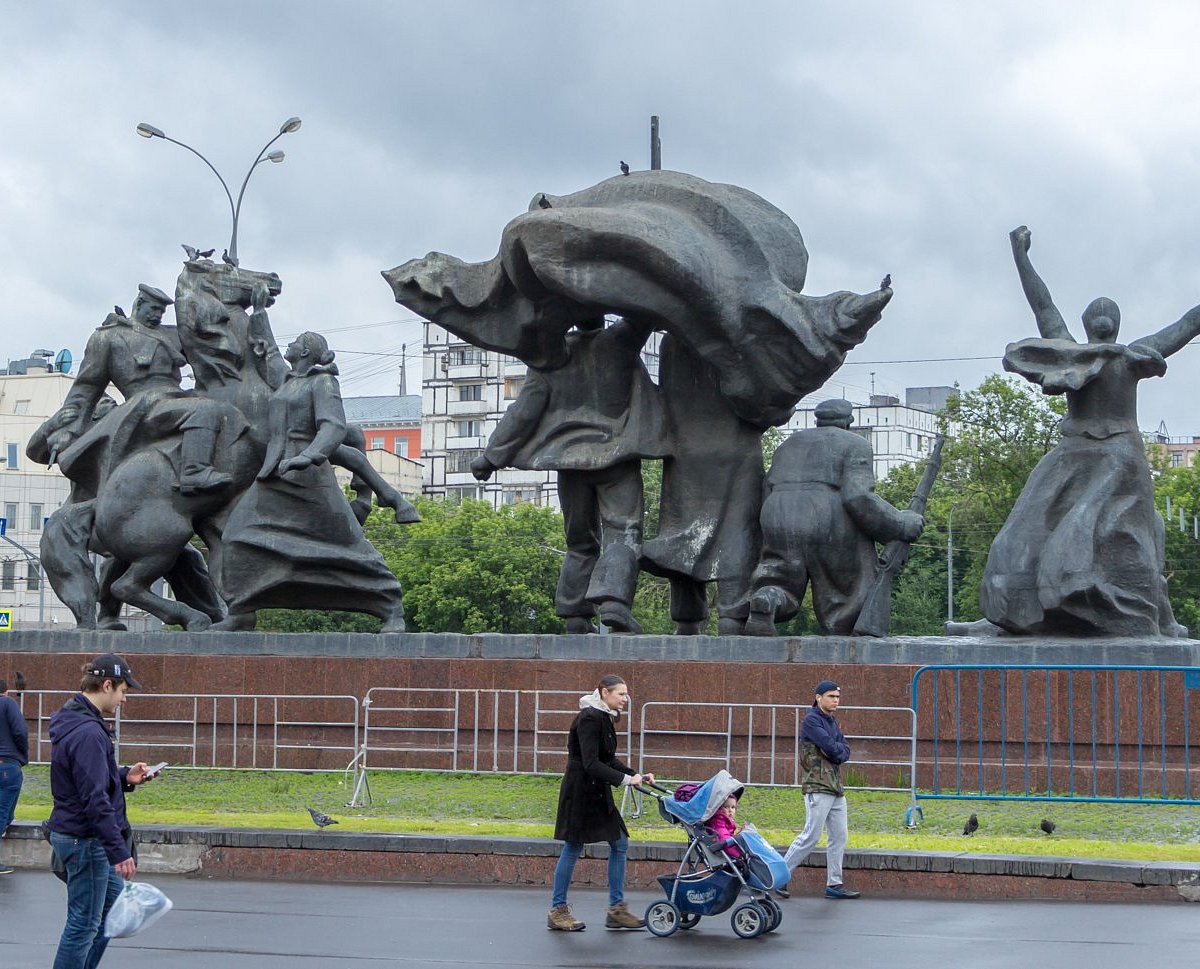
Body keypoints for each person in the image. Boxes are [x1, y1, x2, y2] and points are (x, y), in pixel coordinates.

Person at [980, 225, 1198, 637]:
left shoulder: (1105, 354)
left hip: (1114, 455)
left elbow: (1044, 306)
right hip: (1081, 453)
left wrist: (1020, 255)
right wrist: (1021, 257)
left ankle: (1157, 616)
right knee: (1025, 527)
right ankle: (1014, 610)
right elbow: (1189, 322)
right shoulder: (1085, 353)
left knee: (1130, 529)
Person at [472, 317, 665, 634]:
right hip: (615, 458)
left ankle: (574, 612)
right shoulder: (618, 341)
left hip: (568, 461)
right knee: (623, 532)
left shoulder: (550, 356)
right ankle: (615, 603)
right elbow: (646, 314)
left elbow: (524, 410)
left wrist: (491, 457)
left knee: (579, 541)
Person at [215, 331, 406, 631]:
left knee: (347, 543)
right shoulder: (289, 381)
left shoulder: (323, 382)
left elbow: (333, 427)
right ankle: (241, 608)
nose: (287, 345)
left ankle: (390, 605)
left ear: (304, 352)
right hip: (274, 474)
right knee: (236, 536)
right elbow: (273, 358)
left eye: (294, 343)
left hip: (309, 476)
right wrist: (260, 313)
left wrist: (310, 456)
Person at [741, 398, 924, 635]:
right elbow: (857, 497)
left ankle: (767, 600)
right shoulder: (855, 443)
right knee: (847, 586)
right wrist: (900, 523)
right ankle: (843, 629)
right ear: (848, 422)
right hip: (824, 513)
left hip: (777, 514)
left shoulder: (788, 444)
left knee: (780, 576)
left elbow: (767, 489)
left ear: (818, 420)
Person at [41, 284, 236, 495]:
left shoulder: (172, 335)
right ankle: (194, 472)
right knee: (204, 409)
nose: (156, 316)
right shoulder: (108, 337)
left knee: (227, 411)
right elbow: (85, 389)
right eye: (152, 309)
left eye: (161, 312)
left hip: (175, 398)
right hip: (143, 405)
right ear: (139, 304)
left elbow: (208, 349)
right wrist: (68, 431)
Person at [48, 653, 156, 968]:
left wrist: (125, 776)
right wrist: (119, 851)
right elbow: (94, 798)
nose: (124, 698)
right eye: (123, 690)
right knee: (84, 923)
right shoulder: (88, 732)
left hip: (82, 836)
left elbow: (88, 779)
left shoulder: (82, 723)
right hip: (87, 840)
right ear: (106, 685)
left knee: (110, 914)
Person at [548, 674, 654, 931]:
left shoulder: (604, 717)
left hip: (597, 791)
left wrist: (634, 775)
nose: (625, 699)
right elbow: (591, 763)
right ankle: (557, 910)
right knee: (573, 846)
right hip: (581, 792)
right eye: (621, 694)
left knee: (620, 843)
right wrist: (625, 780)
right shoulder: (589, 718)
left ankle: (616, 910)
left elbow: (608, 758)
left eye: (626, 694)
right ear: (604, 692)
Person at [781, 680, 860, 900]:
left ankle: (834, 883)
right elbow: (832, 748)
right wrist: (837, 751)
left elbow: (843, 750)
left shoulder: (831, 721)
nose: (835, 701)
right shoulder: (811, 720)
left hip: (834, 786)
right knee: (811, 835)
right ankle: (778, 877)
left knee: (839, 836)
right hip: (817, 785)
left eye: (837, 697)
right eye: (831, 697)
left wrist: (838, 751)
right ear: (818, 698)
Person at [0, 677, 29, 875]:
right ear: (7, 691)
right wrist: (22, 755)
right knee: (3, 813)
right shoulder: (7, 703)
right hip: (7, 765)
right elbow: (20, 731)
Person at [707, 791, 743, 859]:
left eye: (733, 807)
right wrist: (740, 855)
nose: (730, 810)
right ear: (719, 808)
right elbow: (725, 842)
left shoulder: (726, 822)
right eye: (726, 807)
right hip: (726, 852)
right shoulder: (718, 823)